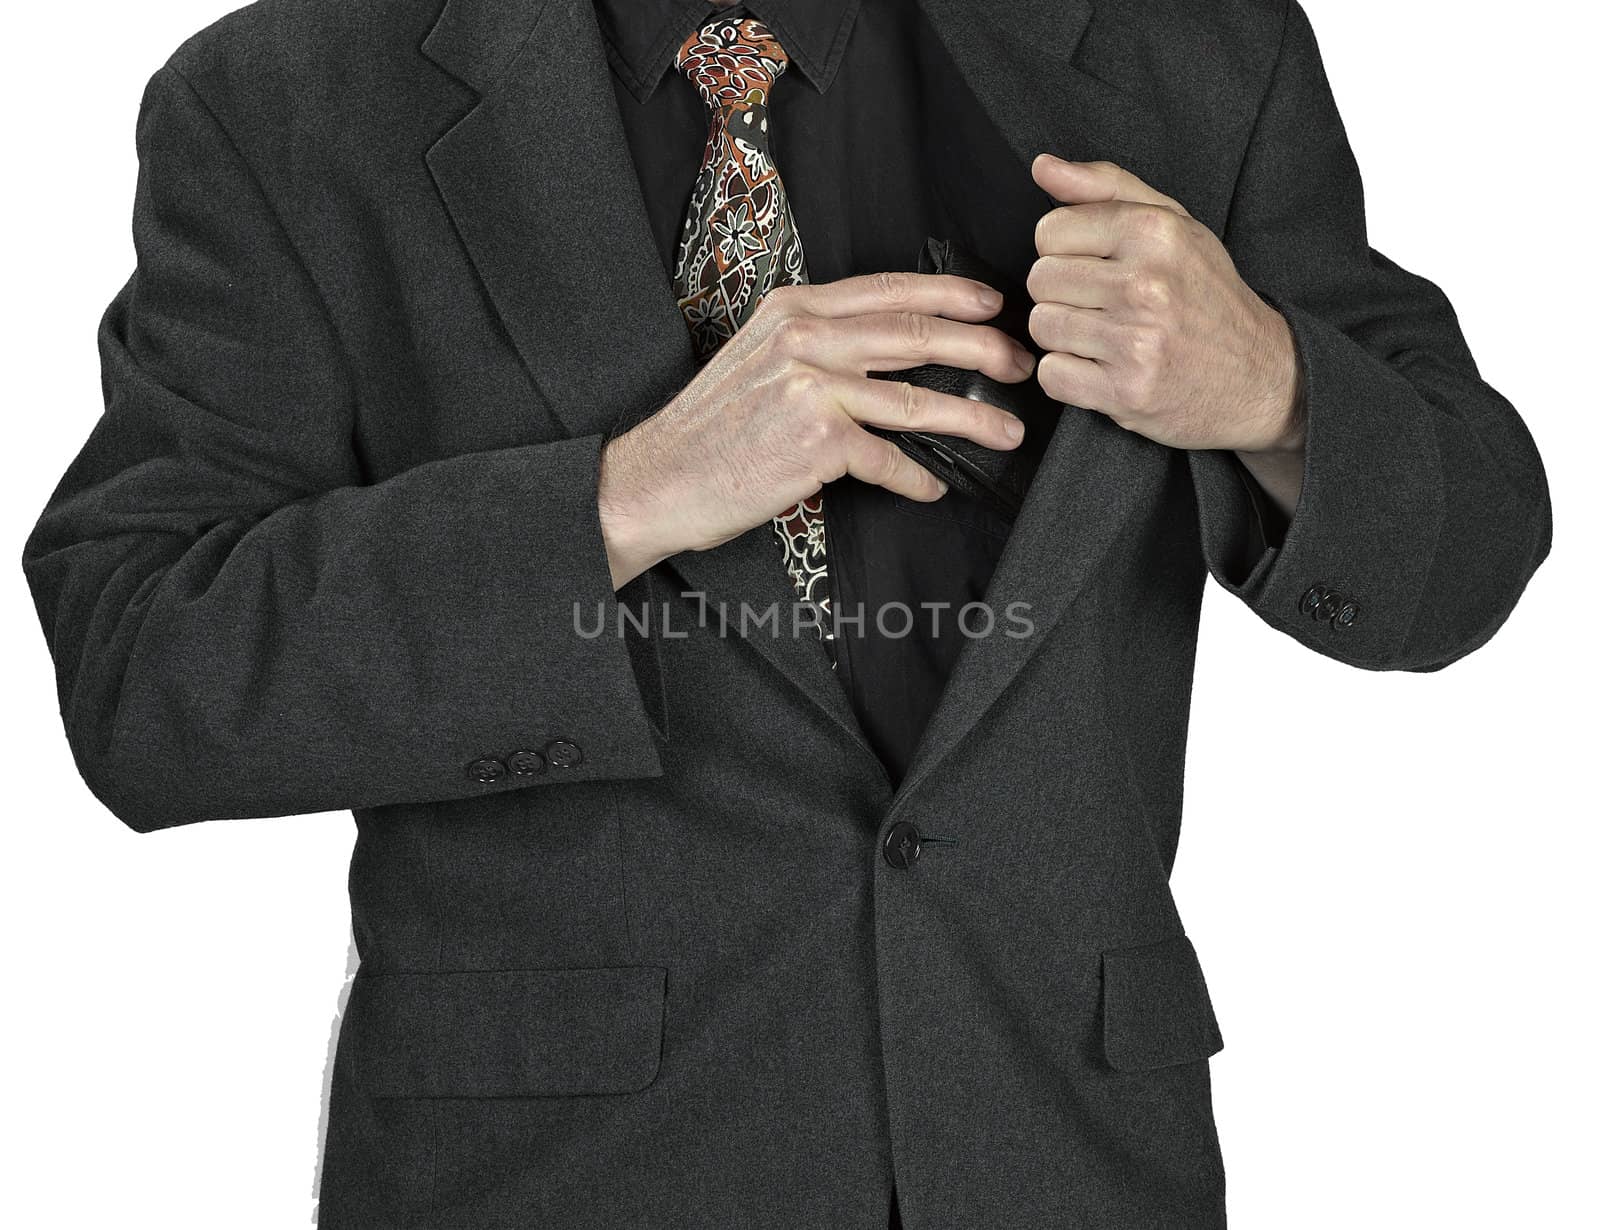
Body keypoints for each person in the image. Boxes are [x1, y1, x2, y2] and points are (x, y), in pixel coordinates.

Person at [19, 0, 1550, 1225]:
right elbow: (145, 661)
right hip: (559, 1183)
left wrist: (1273, 386)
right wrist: (620, 498)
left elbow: (1472, 548)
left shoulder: (1192, 49)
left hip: (1066, 1159)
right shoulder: (285, 101)